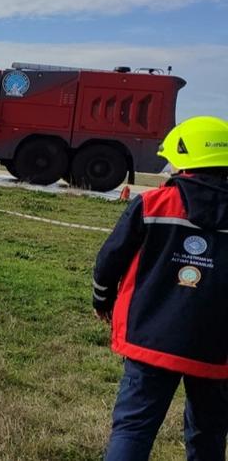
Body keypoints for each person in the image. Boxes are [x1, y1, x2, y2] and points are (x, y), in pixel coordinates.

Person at [93, 116, 228, 461]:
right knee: (209, 434)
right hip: (217, 348)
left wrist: (102, 298)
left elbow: (109, 260)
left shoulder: (153, 204)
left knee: (133, 429)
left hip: (149, 337)